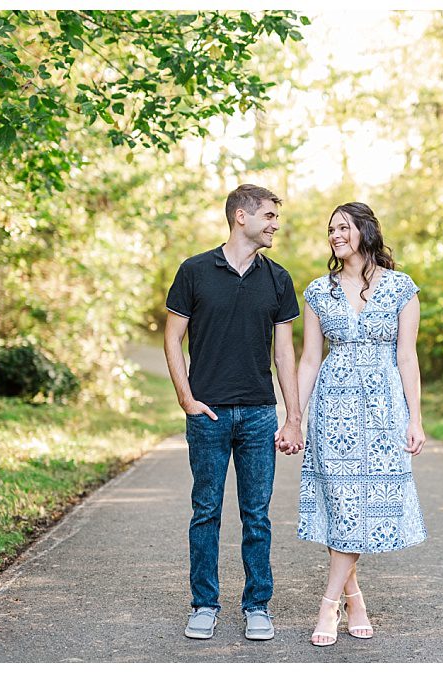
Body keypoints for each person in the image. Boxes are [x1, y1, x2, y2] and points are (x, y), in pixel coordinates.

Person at [163, 184, 304, 642]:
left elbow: (285, 355)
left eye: (275, 217)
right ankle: (204, 604)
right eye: (268, 216)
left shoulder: (279, 279)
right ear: (240, 217)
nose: (274, 224)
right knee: (205, 511)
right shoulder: (195, 271)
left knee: (257, 515)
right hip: (208, 414)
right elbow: (172, 339)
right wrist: (186, 398)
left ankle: (257, 605)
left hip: (260, 413)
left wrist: (292, 416)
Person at [293, 202, 428, 646]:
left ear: (365, 231)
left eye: (343, 228)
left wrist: (416, 418)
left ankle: (332, 602)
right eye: (330, 229)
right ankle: (348, 600)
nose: (334, 235)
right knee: (342, 504)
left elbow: (407, 357)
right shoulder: (318, 291)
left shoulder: (402, 288)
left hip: (384, 410)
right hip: (333, 410)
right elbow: (310, 359)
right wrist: (294, 415)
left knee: (364, 503)